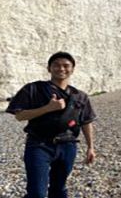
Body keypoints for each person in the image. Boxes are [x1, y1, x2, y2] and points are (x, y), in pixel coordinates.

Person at [6, 51, 97, 198]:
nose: (61, 69)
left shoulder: (80, 96)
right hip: (39, 145)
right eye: (56, 65)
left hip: (68, 146)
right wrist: (47, 108)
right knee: (37, 193)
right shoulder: (33, 89)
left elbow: (86, 122)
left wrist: (90, 147)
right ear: (49, 68)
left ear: (72, 69)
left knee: (59, 189)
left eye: (66, 65)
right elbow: (19, 116)